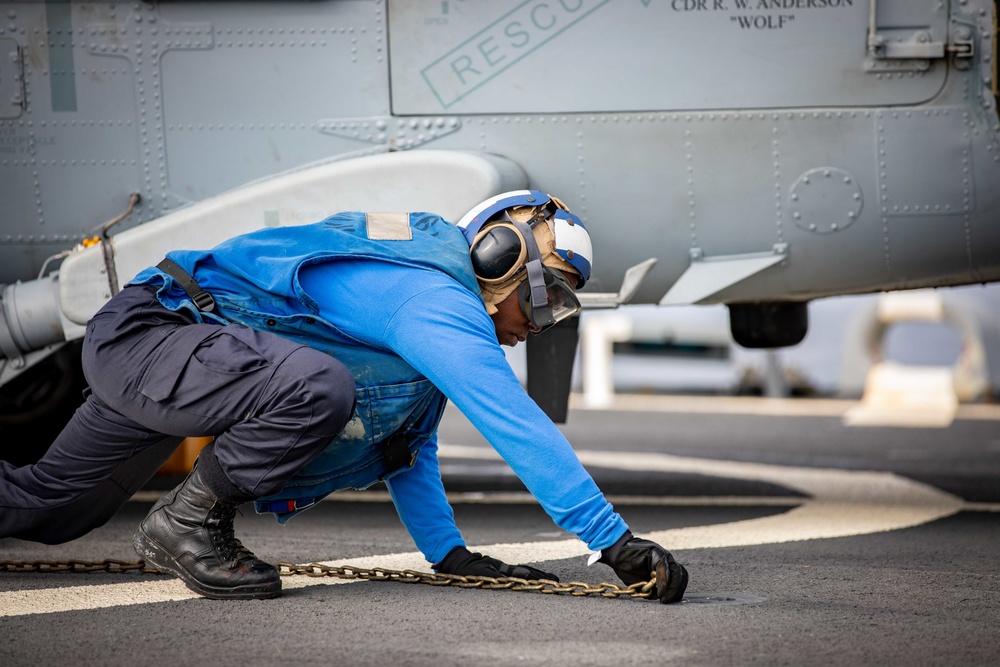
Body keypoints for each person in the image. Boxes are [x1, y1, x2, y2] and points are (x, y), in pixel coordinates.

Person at [0, 191, 688, 603]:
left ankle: (175, 517)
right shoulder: (436, 299)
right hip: (159, 334)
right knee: (315, 386)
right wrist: (613, 542)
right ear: (499, 256)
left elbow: (406, 445)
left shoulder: (426, 320)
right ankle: (188, 522)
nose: (536, 324)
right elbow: (513, 422)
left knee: (50, 507)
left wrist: (451, 556)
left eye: (559, 310)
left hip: (175, 353)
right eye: (545, 296)